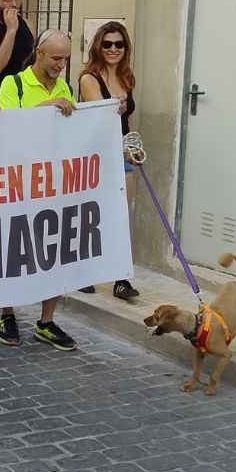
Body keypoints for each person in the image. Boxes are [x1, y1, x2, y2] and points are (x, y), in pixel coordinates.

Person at [0, 28, 79, 352]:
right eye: (56, 58)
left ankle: (46, 320)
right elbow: (9, 127)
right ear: (39, 54)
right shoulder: (12, 84)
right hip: (18, 182)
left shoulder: (65, 87)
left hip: (54, 184)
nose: (61, 64)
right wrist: (49, 105)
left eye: (66, 59)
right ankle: (7, 313)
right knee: (14, 250)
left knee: (54, 251)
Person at [77, 21, 140, 299]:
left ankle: (120, 278)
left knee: (120, 217)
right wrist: (114, 107)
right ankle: (83, 271)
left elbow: (127, 120)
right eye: (107, 44)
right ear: (98, 46)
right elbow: (99, 118)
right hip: (99, 156)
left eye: (119, 44)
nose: (113, 49)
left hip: (121, 154)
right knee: (93, 215)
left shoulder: (126, 77)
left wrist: (132, 146)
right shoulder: (89, 78)